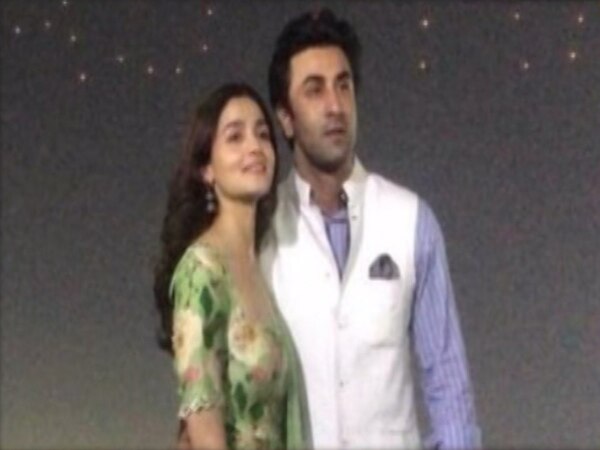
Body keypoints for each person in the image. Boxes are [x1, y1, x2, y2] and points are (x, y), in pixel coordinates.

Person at [259, 8, 482, 449]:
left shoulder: (411, 220)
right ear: (285, 118)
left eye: (343, 85)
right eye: (315, 90)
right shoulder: (262, 232)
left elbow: (447, 385)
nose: (335, 106)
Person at [154, 83, 311, 450]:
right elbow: (203, 424)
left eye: (262, 134)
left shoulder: (264, 265)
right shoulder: (202, 271)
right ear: (207, 168)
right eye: (235, 137)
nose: (254, 147)